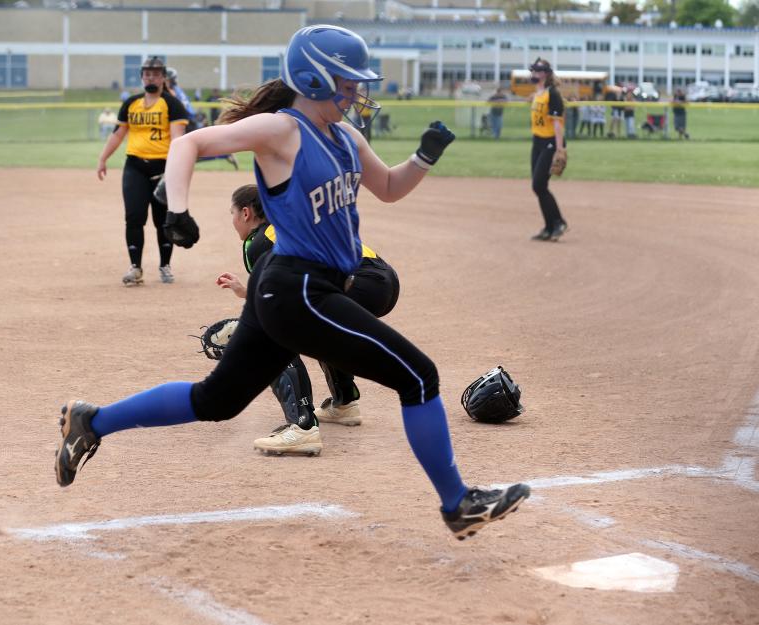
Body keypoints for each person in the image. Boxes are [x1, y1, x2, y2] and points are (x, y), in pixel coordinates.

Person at [55, 25, 531, 541]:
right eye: (347, 81)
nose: (356, 91)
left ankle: (92, 421)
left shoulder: (346, 136)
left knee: (216, 400)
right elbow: (189, 144)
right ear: (315, 76)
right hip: (299, 286)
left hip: (290, 286)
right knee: (418, 377)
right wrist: (177, 209)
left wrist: (424, 158)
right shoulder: (282, 131)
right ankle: (457, 502)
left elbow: (389, 188)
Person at [215, 184, 401, 455]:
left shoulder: (260, 241)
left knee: (275, 334)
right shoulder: (285, 225)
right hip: (381, 281)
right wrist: (246, 292)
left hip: (358, 283)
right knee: (314, 327)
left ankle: (302, 427)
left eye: (231, 213)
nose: (232, 220)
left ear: (245, 213)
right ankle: (344, 402)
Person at [97, 57, 190, 286]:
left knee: (162, 221)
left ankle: (165, 265)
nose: (151, 77)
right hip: (135, 167)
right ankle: (135, 267)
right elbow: (119, 134)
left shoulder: (171, 104)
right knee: (134, 217)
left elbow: (178, 138)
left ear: (163, 77)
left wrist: (175, 170)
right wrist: (103, 158)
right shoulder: (131, 103)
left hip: (163, 168)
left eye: (156, 73)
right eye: (147, 73)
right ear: (141, 76)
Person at [527, 58, 569, 242]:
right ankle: (549, 227)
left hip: (551, 142)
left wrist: (559, 149)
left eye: (537, 71)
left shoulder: (553, 94)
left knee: (538, 184)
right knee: (539, 187)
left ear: (545, 73)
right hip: (537, 142)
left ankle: (559, 222)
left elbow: (557, 123)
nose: (534, 74)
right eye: (533, 71)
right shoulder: (538, 93)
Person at [167, 67, 239, 169]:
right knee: (186, 153)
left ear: (170, 80)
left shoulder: (171, 91)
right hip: (189, 121)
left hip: (187, 123)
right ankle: (224, 154)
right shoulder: (176, 90)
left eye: (164, 78)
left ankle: (225, 154)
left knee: (188, 153)